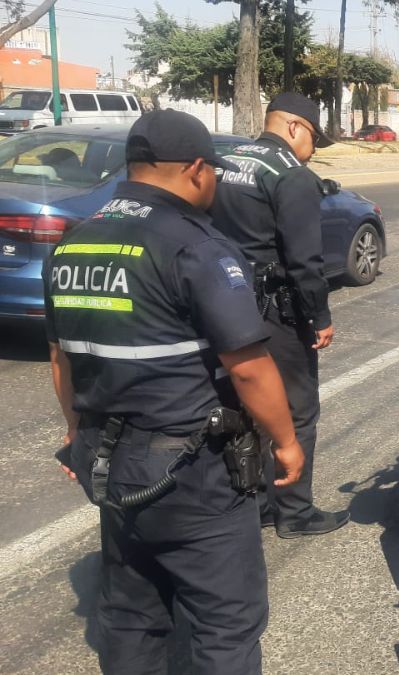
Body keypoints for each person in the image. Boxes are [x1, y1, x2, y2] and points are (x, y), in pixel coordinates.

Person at [44, 110, 304, 674]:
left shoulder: (74, 243)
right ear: (194, 169)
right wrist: (286, 441)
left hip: (108, 460)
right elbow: (249, 367)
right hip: (190, 470)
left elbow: (61, 357)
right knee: (225, 623)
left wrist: (74, 432)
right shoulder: (197, 247)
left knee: (132, 615)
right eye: (211, 171)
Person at [210, 92, 349, 539]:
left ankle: (252, 500)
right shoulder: (291, 176)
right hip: (275, 311)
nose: (312, 150)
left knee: (241, 406)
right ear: (293, 127)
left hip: (220, 304)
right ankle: (293, 511)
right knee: (296, 411)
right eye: (312, 138)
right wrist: (320, 316)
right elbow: (305, 262)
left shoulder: (222, 162)